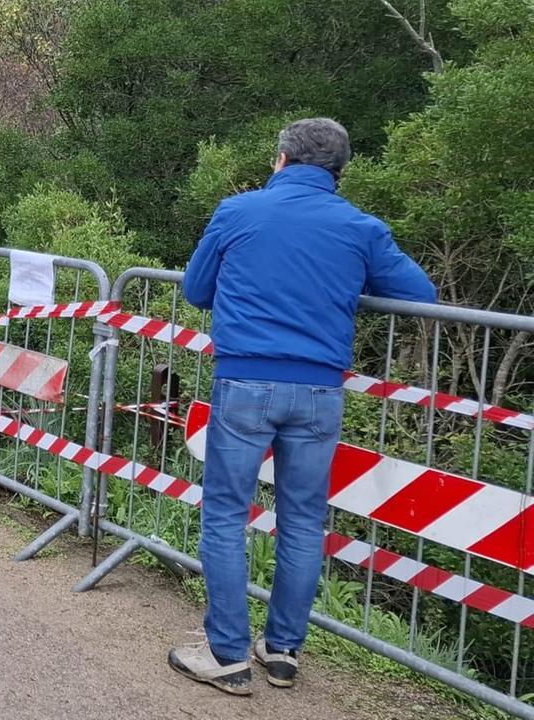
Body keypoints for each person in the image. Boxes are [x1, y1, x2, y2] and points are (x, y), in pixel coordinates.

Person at [169, 118, 437, 695]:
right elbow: (420, 296)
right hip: (319, 392)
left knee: (223, 515)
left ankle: (227, 654)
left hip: (245, 381)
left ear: (281, 159)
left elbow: (196, 290)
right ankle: (284, 651)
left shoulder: (238, 212)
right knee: (304, 521)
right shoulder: (361, 228)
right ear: (339, 172)